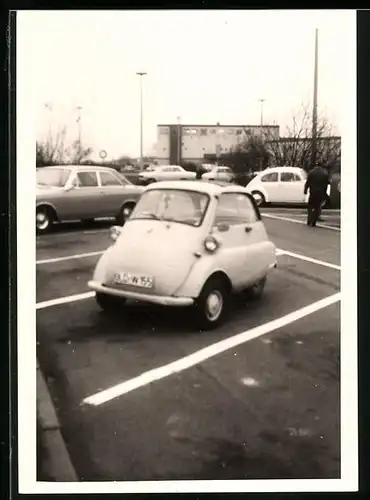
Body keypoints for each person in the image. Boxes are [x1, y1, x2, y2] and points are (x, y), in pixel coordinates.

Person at [304, 162, 330, 227]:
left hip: (313, 192)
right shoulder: (324, 174)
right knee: (317, 207)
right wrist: (324, 193)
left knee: (310, 206)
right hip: (320, 192)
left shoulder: (311, 172)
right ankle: (314, 222)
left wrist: (305, 190)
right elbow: (326, 185)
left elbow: (308, 182)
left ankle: (309, 220)